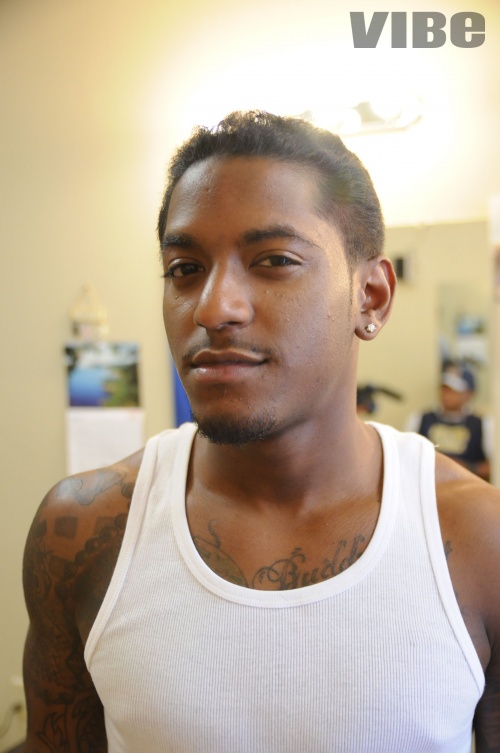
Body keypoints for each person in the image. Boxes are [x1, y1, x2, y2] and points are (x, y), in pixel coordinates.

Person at [21, 111, 500, 753]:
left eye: (274, 260)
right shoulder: (84, 529)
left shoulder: (480, 538)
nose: (213, 308)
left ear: (372, 297)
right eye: (184, 268)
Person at [407, 361, 493, 481]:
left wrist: (464, 468)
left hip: (466, 486)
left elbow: (492, 467)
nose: (447, 394)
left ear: (469, 394)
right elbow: (407, 458)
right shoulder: (420, 418)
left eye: (454, 390)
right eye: (445, 388)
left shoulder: (483, 424)